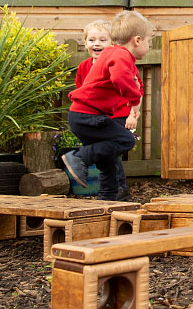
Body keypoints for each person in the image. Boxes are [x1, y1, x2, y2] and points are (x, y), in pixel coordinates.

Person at [61, 11, 153, 200]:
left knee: (108, 159)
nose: (149, 46)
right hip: (88, 117)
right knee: (126, 140)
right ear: (137, 40)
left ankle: (109, 197)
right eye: (149, 41)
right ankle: (79, 157)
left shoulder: (112, 53)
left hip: (84, 116)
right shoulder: (121, 55)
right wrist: (135, 100)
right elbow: (120, 78)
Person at [74, 20, 138, 201]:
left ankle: (118, 188)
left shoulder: (120, 61)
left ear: (113, 43)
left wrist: (132, 114)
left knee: (112, 151)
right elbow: (81, 91)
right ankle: (112, 190)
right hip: (94, 118)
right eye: (92, 40)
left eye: (102, 40)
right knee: (105, 154)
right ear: (85, 43)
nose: (97, 44)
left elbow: (135, 88)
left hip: (116, 115)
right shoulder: (84, 67)